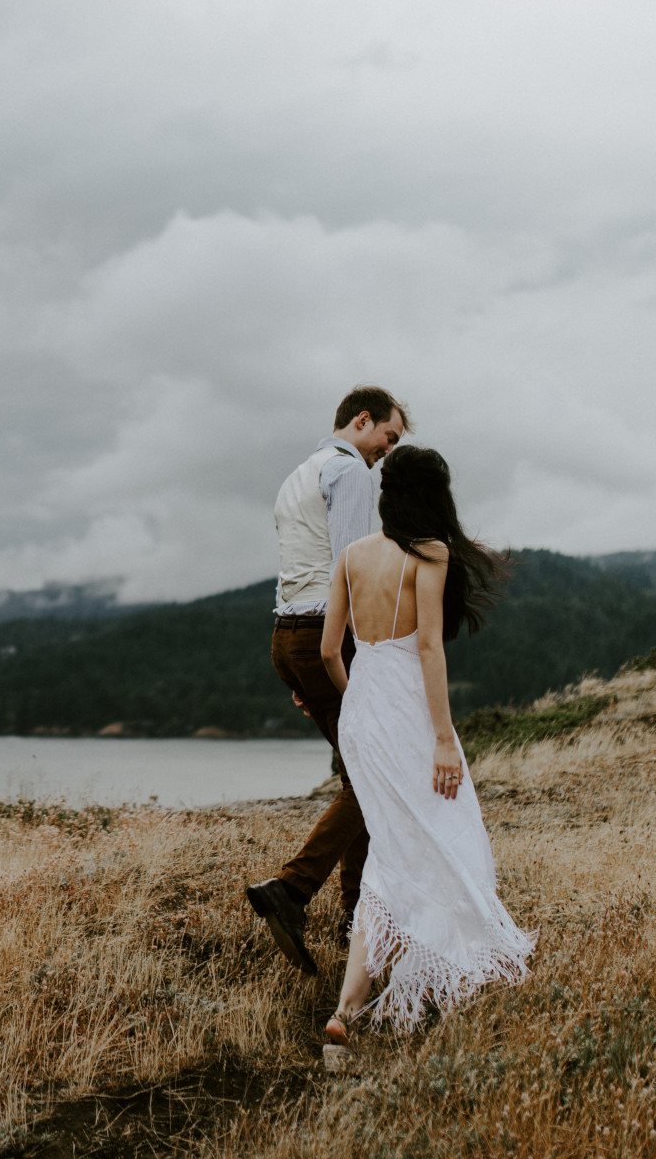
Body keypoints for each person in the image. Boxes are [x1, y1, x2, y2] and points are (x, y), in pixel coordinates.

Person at [321, 445, 533, 1039]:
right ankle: (448, 973)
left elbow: (328, 651)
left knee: (391, 849)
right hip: (410, 716)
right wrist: (443, 737)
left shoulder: (350, 557)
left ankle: (346, 1009)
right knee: (446, 834)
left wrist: (358, 696)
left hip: (363, 717)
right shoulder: (429, 555)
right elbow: (429, 647)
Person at [246, 386, 407, 974]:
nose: (387, 452)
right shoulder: (352, 472)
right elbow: (353, 566)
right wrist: (361, 655)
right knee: (375, 770)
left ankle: (353, 912)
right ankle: (291, 892)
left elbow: (298, 564)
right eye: (388, 438)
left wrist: (303, 663)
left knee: (358, 768)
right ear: (362, 421)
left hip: (287, 635)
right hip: (325, 634)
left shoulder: (299, 474)